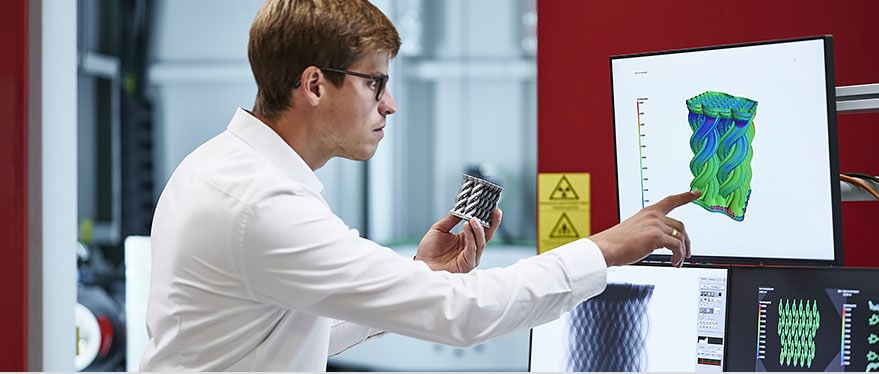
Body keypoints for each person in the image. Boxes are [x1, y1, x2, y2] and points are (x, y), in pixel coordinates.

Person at [140, 0, 700, 371]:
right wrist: (605, 248)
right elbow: (464, 314)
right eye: (374, 83)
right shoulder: (260, 204)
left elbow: (280, 333)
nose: (390, 104)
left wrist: (417, 277)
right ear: (314, 84)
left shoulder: (222, 168)